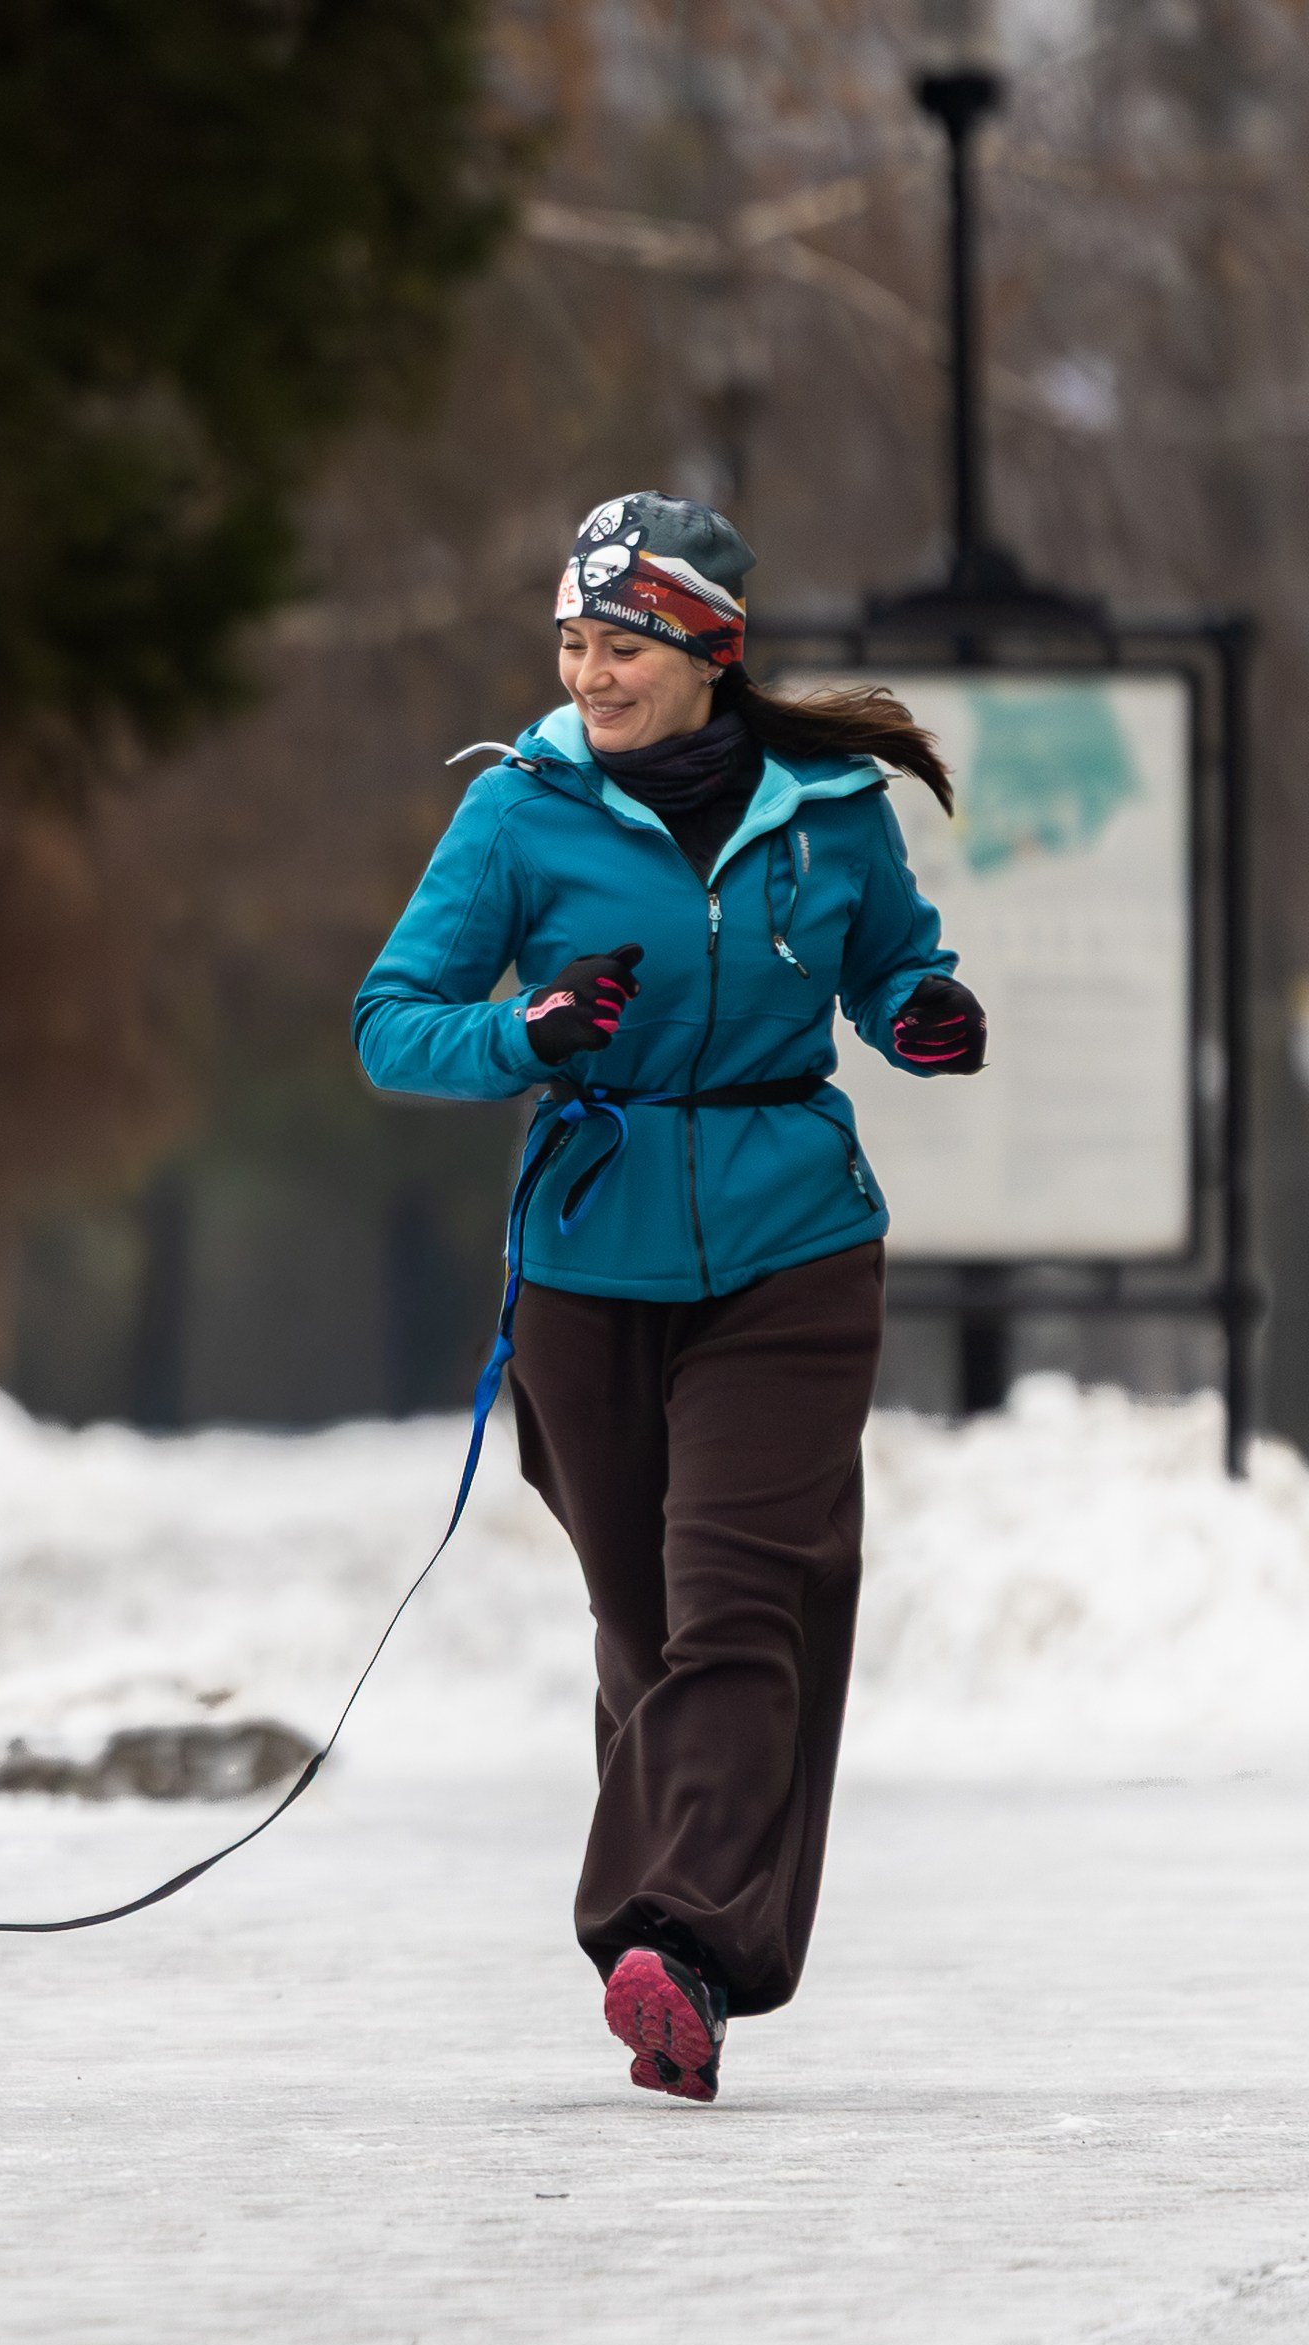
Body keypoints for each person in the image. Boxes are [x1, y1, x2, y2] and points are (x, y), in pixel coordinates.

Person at [353, 492, 985, 2103]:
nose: (591, 676)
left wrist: (920, 1012)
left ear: (709, 653)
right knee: (648, 1637)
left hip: (792, 1247)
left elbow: (889, 964)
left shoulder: (832, 808)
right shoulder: (517, 813)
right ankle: (686, 1978)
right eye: (573, 644)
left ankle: (676, 1944)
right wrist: (524, 1034)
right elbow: (392, 1022)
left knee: (736, 1606)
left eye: (622, 646)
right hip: (588, 1264)